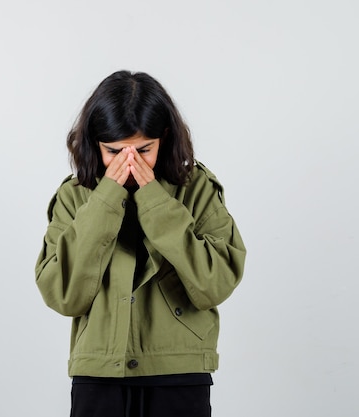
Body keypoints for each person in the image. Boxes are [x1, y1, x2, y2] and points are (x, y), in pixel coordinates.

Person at [35, 70, 246, 417]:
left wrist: (154, 200)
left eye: (144, 150)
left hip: (179, 371)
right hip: (99, 374)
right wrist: (105, 200)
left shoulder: (198, 190)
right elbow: (62, 295)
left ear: (164, 138)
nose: (129, 163)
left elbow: (215, 284)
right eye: (113, 151)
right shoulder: (75, 198)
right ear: (94, 144)